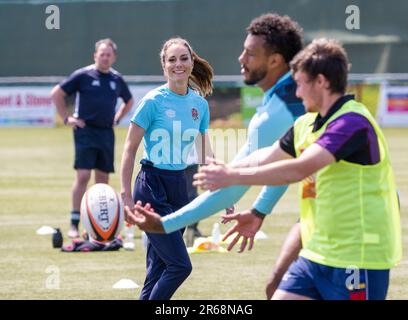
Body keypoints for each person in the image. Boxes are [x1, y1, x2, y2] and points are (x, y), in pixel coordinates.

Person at [193, 38, 402, 300]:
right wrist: (227, 167)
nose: (297, 92)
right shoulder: (306, 124)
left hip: (357, 259)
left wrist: (232, 176)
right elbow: (268, 156)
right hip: (316, 255)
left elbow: (298, 169)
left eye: (301, 83)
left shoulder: (352, 122)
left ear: (322, 82)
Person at [125, 13, 305, 297]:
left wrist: (166, 224)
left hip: (348, 220)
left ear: (274, 61)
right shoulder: (289, 97)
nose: (240, 58)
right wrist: (258, 210)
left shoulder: (278, 110)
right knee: (171, 267)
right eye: (171, 59)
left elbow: (238, 180)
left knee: (276, 288)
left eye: (250, 53)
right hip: (152, 182)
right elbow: (284, 167)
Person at [120, 37, 214, 300]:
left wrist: (222, 190)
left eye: (183, 58)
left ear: (192, 61)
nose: (178, 64)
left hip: (179, 189)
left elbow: (206, 151)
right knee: (180, 266)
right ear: (164, 66)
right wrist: (126, 197)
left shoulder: (200, 105)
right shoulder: (152, 101)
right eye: (171, 60)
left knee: (158, 268)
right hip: (151, 187)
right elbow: (129, 150)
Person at [51, 38, 133, 239]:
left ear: (114, 57)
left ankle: (96, 225)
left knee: (103, 181)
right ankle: (74, 221)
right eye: (101, 54)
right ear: (95, 55)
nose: (105, 57)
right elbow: (57, 94)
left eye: (108, 54)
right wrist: (66, 118)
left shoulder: (116, 79)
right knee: (83, 176)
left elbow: (129, 100)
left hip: (106, 132)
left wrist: (118, 117)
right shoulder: (83, 75)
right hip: (85, 131)